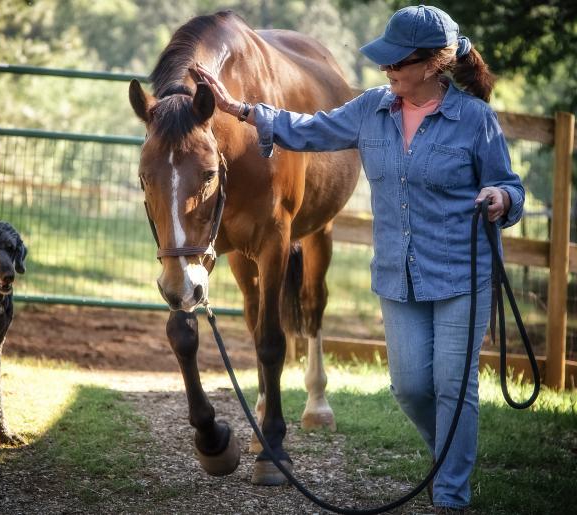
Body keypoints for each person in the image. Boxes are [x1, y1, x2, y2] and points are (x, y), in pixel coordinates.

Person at [197, 5, 524, 513]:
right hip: (400, 274)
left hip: (464, 272)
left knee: (453, 390)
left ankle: (450, 494)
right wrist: (236, 108)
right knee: (411, 387)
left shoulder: (474, 120)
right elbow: (303, 128)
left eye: (398, 63)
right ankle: (451, 455)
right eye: (385, 62)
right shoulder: (372, 108)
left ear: (434, 64)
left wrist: (503, 199)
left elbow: (509, 185)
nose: (387, 70)